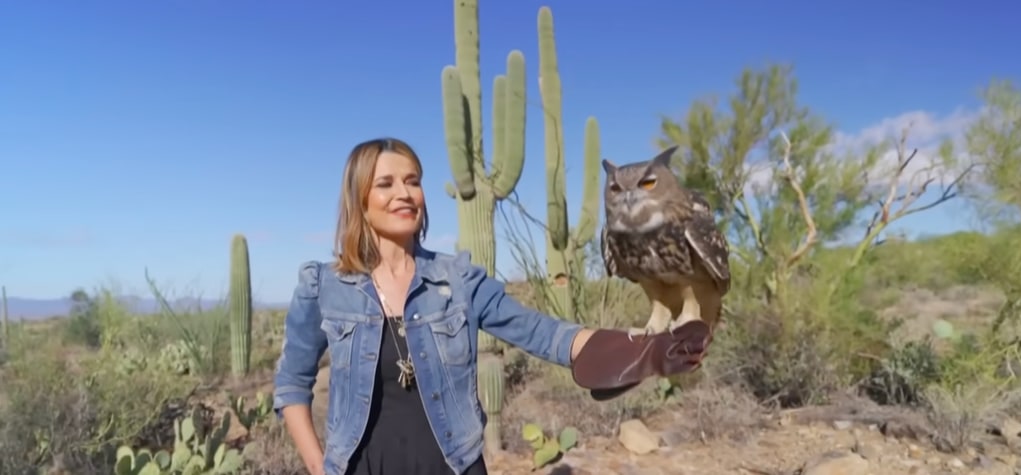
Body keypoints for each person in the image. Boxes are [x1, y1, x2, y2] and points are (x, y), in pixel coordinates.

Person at [272, 137, 711, 475]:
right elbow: (293, 383)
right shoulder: (325, 286)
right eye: (385, 184)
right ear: (360, 201)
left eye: (412, 181)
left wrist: (640, 351)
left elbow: (541, 332)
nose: (404, 193)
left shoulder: (458, 280)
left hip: (452, 464)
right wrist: (318, 465)